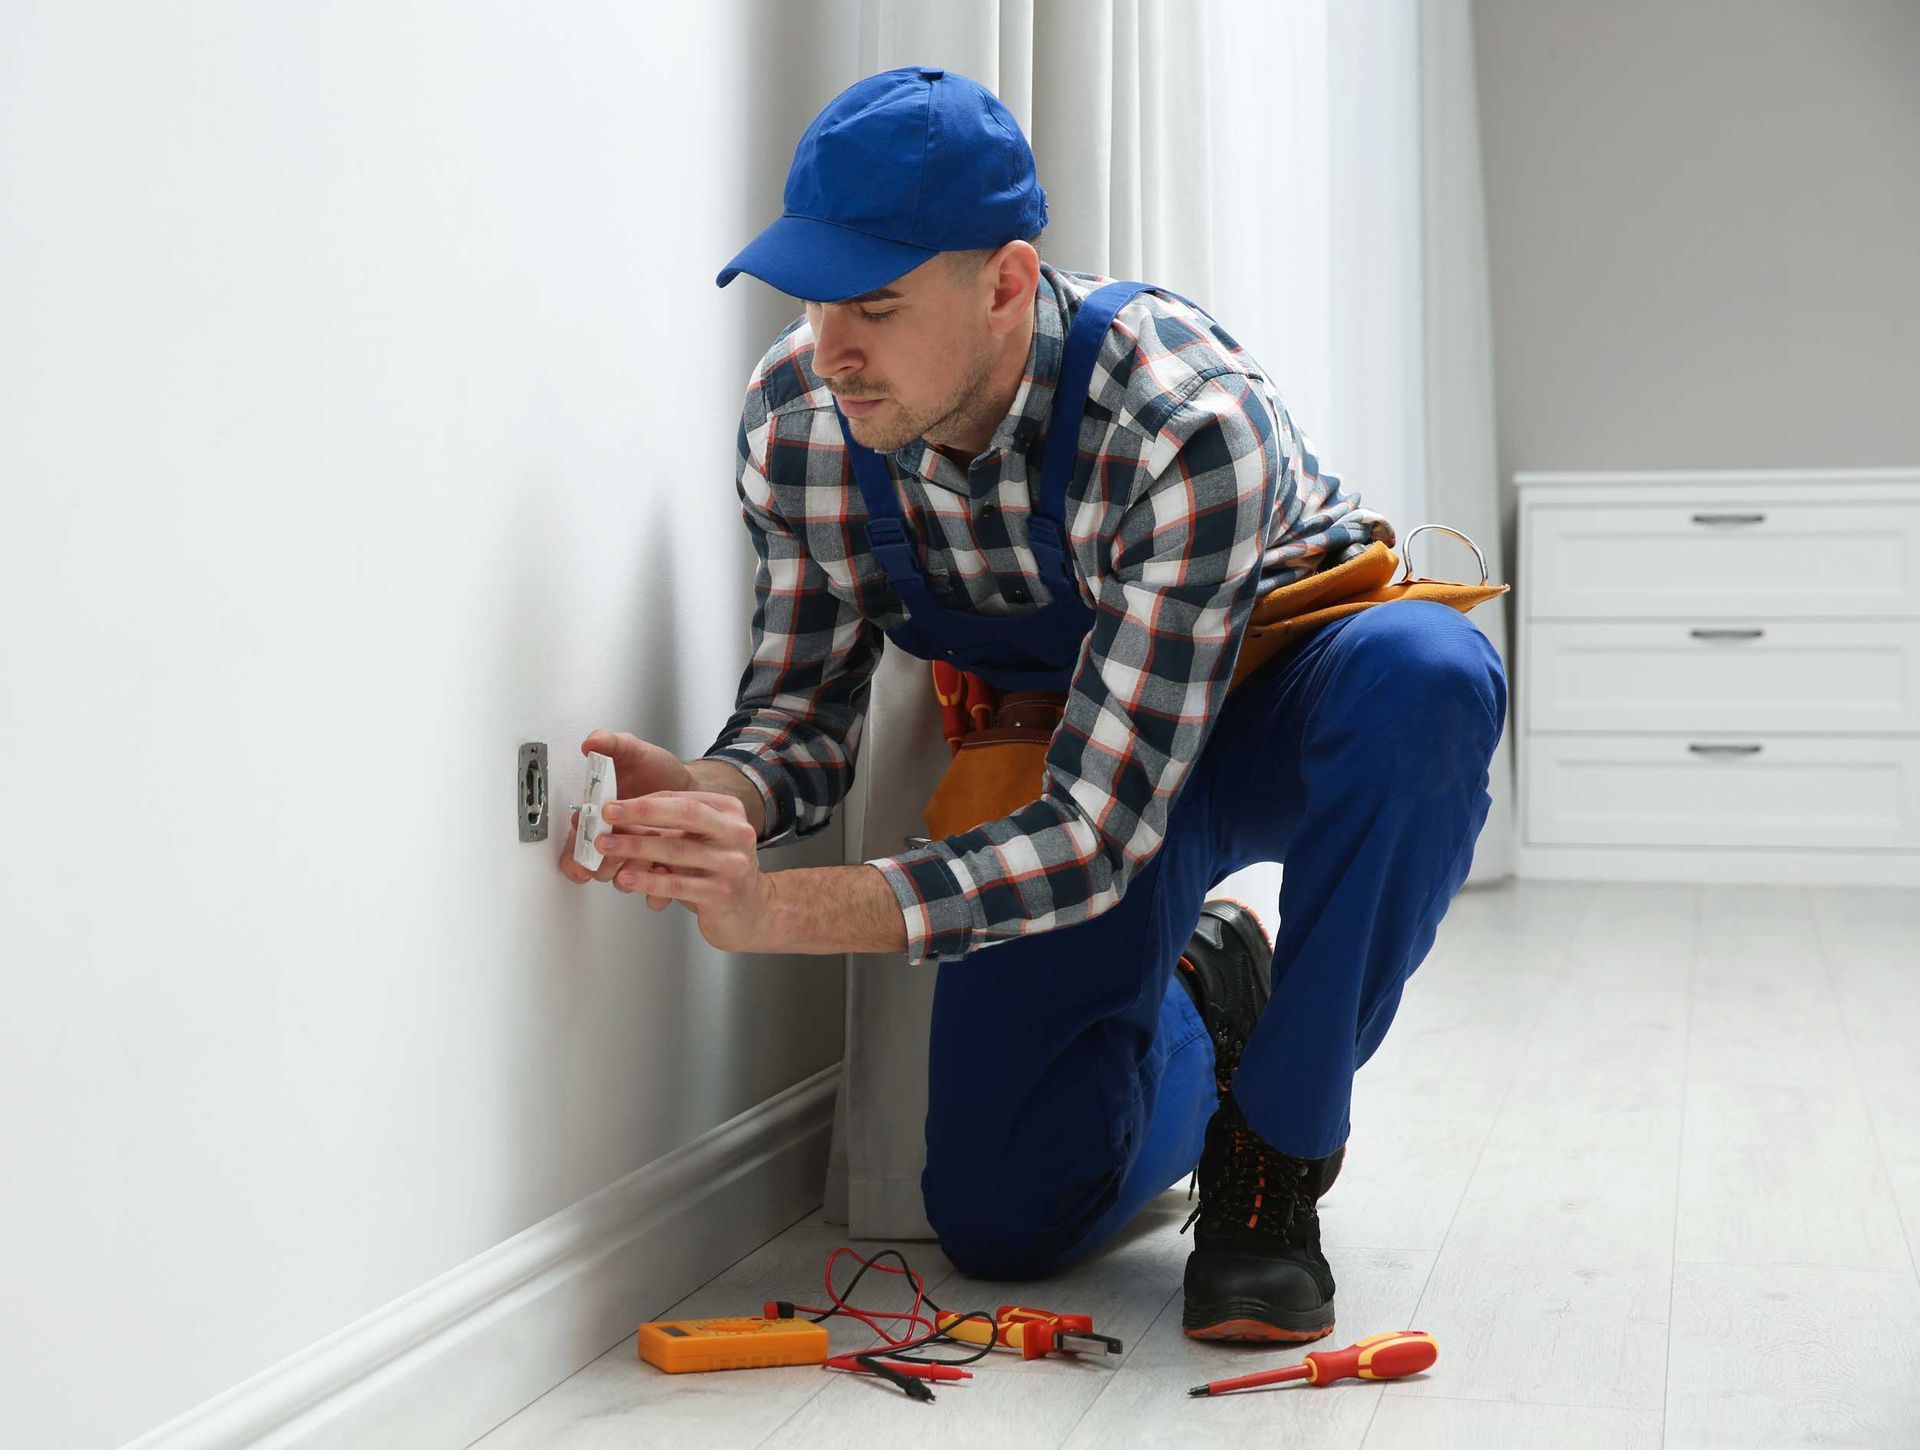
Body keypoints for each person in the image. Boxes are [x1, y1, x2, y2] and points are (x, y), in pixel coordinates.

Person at [559, 66, 1507, 1344]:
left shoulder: (1179, 422)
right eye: (817, 298)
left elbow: (1099, 834)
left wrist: (774, 910)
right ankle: (1211, 991)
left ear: (1005, 281)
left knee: (1430, 683)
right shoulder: (802, 420)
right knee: (1009, 1218)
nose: (832, 349)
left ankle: (1275, 1149)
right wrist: (721, 794)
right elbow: (803, 714)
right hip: (1073, 751)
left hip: (1271, 713)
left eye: (878, 307)